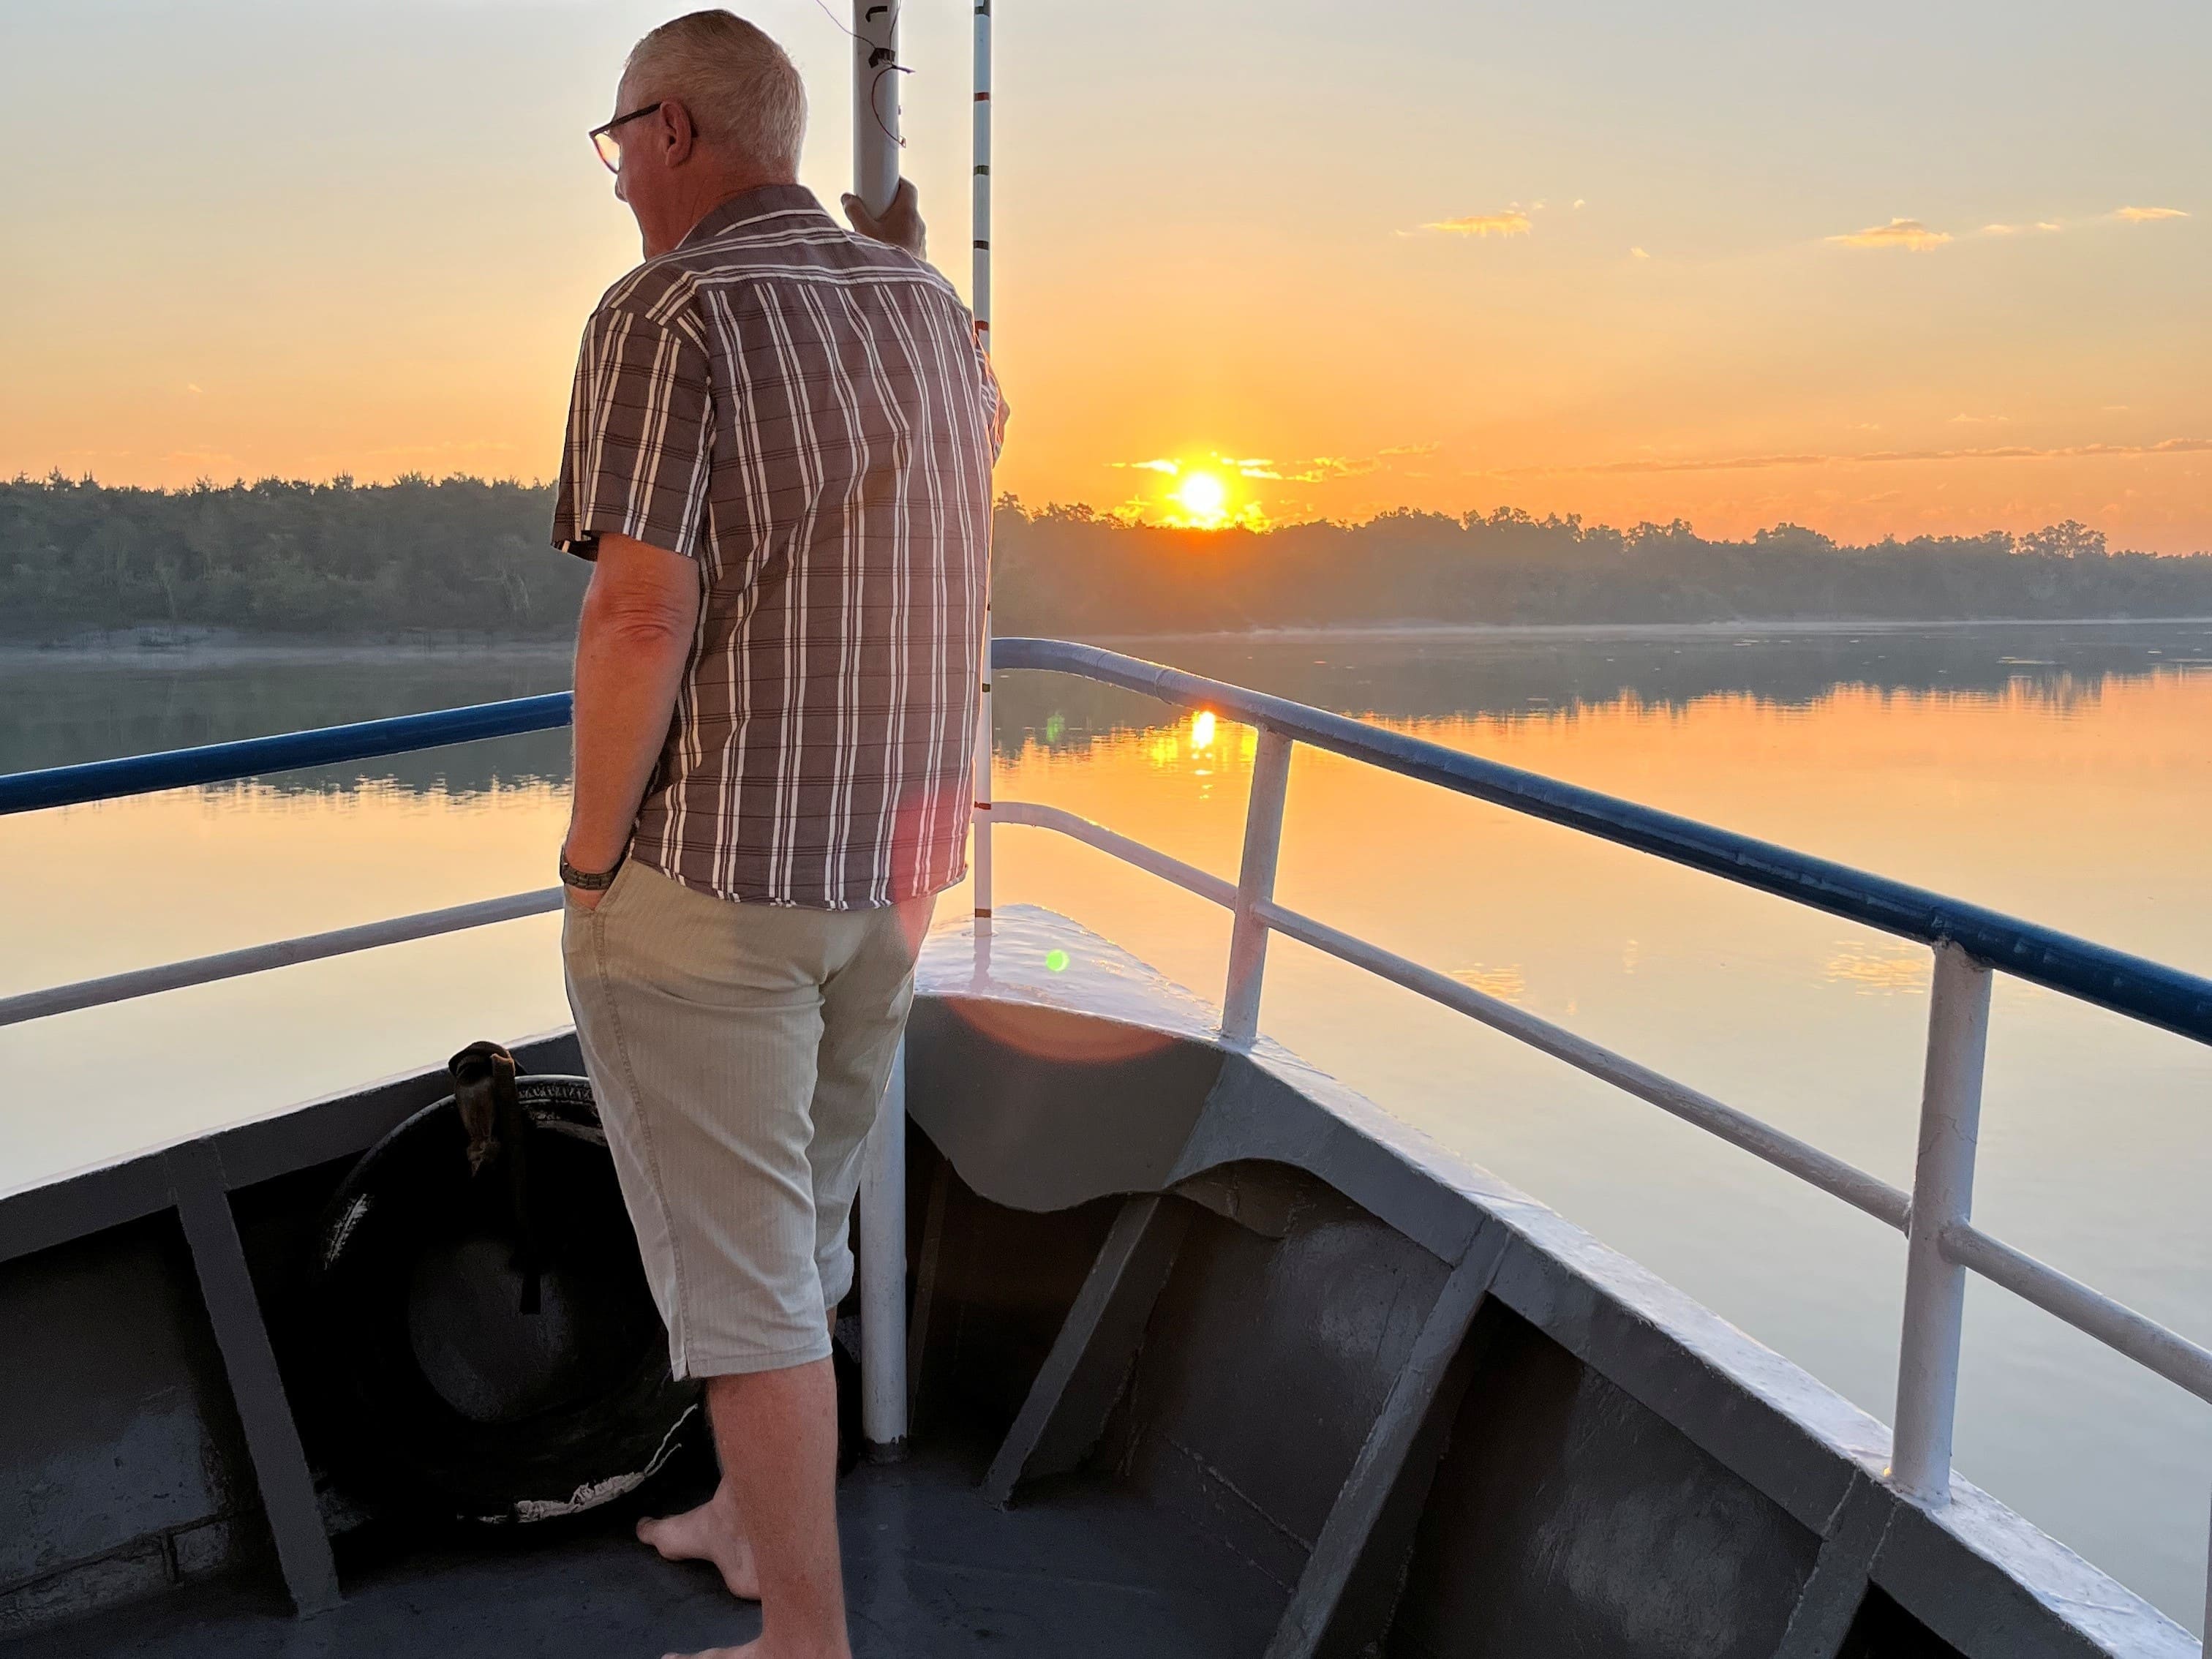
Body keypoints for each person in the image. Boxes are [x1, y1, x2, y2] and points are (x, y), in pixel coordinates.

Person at [550, 12, 1002, 1658]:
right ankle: (750, 1520)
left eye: (618, 146)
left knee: (747, 1290)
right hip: (895, 872)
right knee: (800, 1220)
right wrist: (903, 262)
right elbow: (947, 471)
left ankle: (804, 1640)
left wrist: (592, 860)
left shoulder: (667, 310)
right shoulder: (929, 309)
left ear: (672, 131)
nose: (618, 182)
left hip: (720, 883)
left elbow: (639, 613)